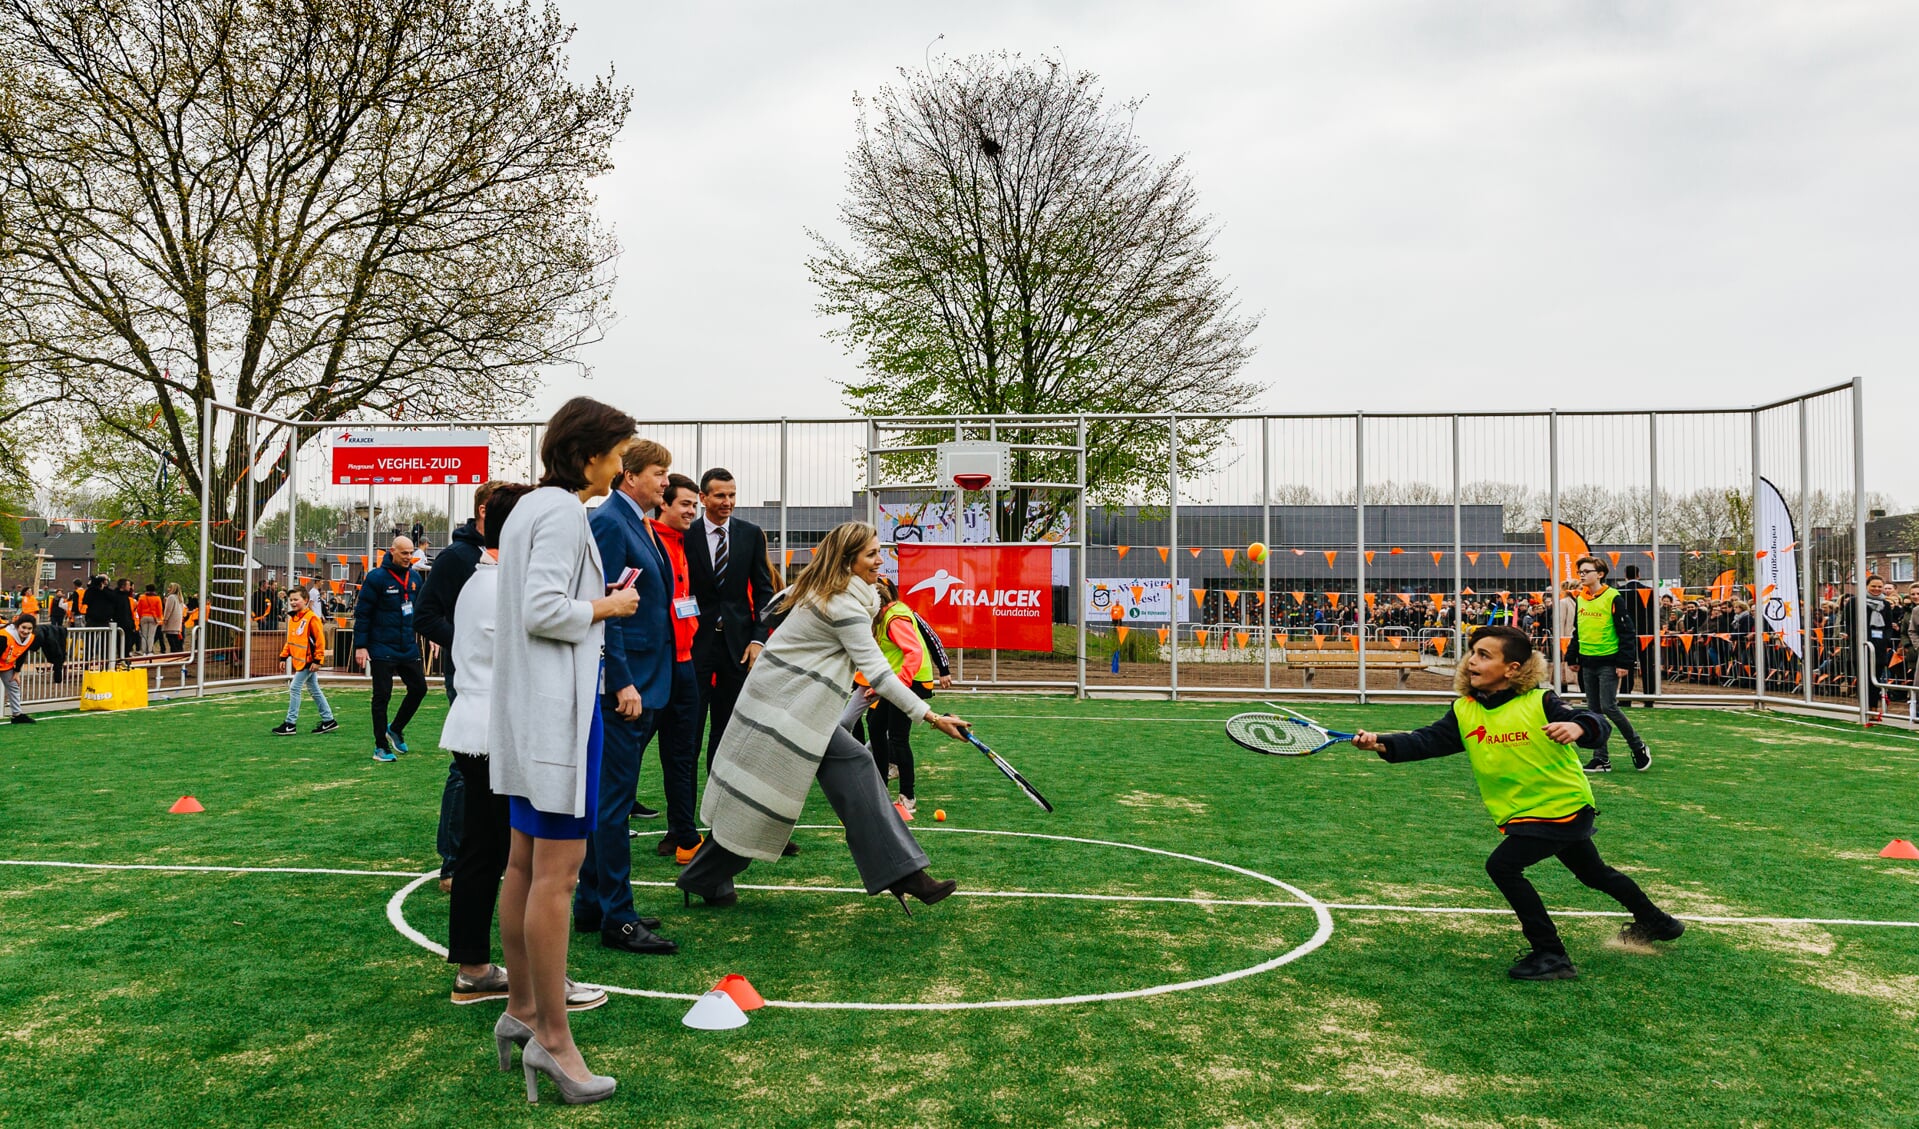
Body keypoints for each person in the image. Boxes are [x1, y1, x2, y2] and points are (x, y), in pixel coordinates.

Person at [1352, 625, 1684, 981]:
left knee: (1503, 867)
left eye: (1484, 655)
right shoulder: (1465, 710)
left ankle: (1551, 954)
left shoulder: (1540, 701)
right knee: (1593, 873)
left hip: (1561, 807)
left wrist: (1579, 729)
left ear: (1512, 668)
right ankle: (1656, 922)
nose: (1471, 662)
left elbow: (1594, 722)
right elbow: (1427, 741)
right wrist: (1382, 743)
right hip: (1526, 812)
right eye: (1472, 653)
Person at [490, 397, 655, 1106]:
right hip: (555, 720)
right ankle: (553, 1039)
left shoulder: (534, 507)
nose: (623, 466)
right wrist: (610, 607)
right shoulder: (559, 512)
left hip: (535, 717)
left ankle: (522, 1011)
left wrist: (596, 602)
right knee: (554, 874)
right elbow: (544, 609)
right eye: (619, 452)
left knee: (524, 866)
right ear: (590, 454)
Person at [678, 521, 972, 913]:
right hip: (785, 710)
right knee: (756, 799)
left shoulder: (833, 592)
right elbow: (880, 673)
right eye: (871, 553)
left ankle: (903, 873)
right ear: (848, 560)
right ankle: (903, 873)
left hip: (794, 708)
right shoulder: (843, 604)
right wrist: (932, 717)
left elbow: (774, 607)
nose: (880, 559)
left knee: (774, 791)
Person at [436, 484, 611, 1012]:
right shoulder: (499, 586)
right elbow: (544, 636)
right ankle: (535, 983)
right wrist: (602, 607)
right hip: (496, 731)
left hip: (478, 727)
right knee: (519, 864)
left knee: (485, 854)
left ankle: (477, 969)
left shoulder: (484, 581)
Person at [573, 439, 681, 955]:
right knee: (612, 807)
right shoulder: (612, 521)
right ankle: (618, 917)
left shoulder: (635, 519)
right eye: (659, 473)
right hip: (627, 685)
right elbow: (607, 606)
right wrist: (621, 681)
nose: (666, 482)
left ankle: (594, 904)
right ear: (631, 476)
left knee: (609, 803)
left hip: (648, 677)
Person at [417, 482, 504, 893]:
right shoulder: (457, 557)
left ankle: (490, 853)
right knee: (465, 767)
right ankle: (452, 863)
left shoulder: (513, 554)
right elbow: (425, 616)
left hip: (504, 681)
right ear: (487, 510)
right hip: (470, 679)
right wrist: (468, 642)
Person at [683, 468, 777, 775]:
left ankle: (718, 811)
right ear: (703, 498)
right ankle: (682, 819)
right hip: (695, 646)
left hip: (738, 648)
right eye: (720, 495)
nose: (728, 502)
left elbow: (765, 591)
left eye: (732, 495)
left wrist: (758, 639)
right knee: (688, 733)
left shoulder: (751, 534)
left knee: (727, 734)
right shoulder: (687, 536)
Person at [643, 472, 709, 863]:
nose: (692, 512)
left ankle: (686, 836)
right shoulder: (645, 538)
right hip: (652, 666)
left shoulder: (690, 541)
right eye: (685, 504)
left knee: (683, 756)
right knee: (629, 755)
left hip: (686, 665)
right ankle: (605, 833)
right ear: (663, 503)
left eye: (694, 506)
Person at [1566, 557, 1651, 773]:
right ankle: (1601, 759)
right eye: (1580, 572)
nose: (1582, 575)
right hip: (1587, 661)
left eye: (1586, 571)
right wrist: (1573, 657)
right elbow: (1579, 630)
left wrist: (1624, 662)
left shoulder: (1614, 597)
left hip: (1609, 662)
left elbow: (1627, 632)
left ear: (1600, 574)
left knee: (1608, 707)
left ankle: (1638, 746)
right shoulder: (1581, 599)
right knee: (1593, 711)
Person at [867, 577, 940, 816]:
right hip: (900, 680)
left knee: (898, 738)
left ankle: (907, 797)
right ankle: (879, 789)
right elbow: (892, 657)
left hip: (912, 681)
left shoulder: (894, 618)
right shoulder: (886, 616)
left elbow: (914, 652)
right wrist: (880, 687)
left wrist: (898, 687)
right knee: (875, 724)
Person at [353, 537, 428, 763]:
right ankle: (380, 746)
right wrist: (361, 646)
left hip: (407, 645)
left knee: (419, 689)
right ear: (392, 552)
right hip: (381, 647)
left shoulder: (415, 578)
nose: (408, 557)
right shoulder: (376, 578)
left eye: (411, 553)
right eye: (404, 553)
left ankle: (395, 728)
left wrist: (432, 636)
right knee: (382, 696)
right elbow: (363, 613)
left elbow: (422, 609)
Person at [271, 590, 337, 735]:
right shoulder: (293, 619)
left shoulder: (312, 618)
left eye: (296, 599)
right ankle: (328, 720)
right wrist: (283, 656)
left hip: (308, 661)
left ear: (306, 600)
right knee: (314, 689)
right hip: (301, 661)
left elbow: (320, 641)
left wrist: (318, 660)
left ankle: (290, 724)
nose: (293, 602)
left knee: (294, 688)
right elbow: (291, 640)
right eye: (291, 600)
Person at [1614, 565, 1655, 705]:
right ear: (1639, 574)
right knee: (1648, 665)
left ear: (1625, 575)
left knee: (1627, 665)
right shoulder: (1649, 591)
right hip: (1646, 632)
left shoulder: (1619, 592)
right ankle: (1649, 697)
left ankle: (1625, 697)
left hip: (1626, 632)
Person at [2, 613, 36, 723]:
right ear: (17, 626)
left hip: (6, 665)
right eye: (23, 627)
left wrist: (16, 672)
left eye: (29, 628)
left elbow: (22, 654)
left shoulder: (30, 638)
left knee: (14, 686)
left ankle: (17, 715)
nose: (26, 631)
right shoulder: (4, 636)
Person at [137, 585, 163, 653]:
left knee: (144, 635)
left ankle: (143, 650)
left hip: (144, 616)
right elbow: (160, 609)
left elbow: (139, 609)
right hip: (153, 617)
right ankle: (149, 650)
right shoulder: (157, 598)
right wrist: (159, 618)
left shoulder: (142, 598)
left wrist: (140, 617)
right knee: (151, 635)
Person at [161, 583, 185, 653]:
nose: (168, 589)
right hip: (178, 619)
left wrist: (165, 618)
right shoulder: (180, 598)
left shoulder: (171, 597)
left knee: (170, 637)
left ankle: (174, 651)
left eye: (169, 587)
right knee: (175, 636)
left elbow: (168, 609)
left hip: (171, 620)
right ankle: (177, 650)